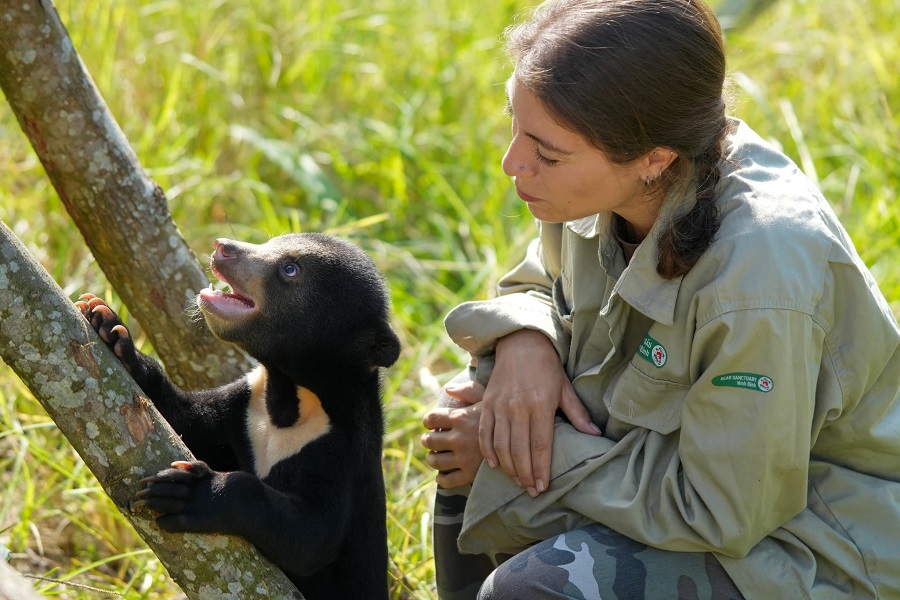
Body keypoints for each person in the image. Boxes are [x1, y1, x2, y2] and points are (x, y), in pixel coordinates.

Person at [419, 0, 900, 598]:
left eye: (545, 153)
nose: (512, 162)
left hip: (803, 546)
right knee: (480, 407)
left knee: (532, 584)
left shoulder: (759, 278)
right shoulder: (632, 160)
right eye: (514, 126)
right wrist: (525, 344)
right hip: (657, 471)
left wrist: (516, 459)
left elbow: (723, 512)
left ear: (654, 159)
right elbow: (537, 281)